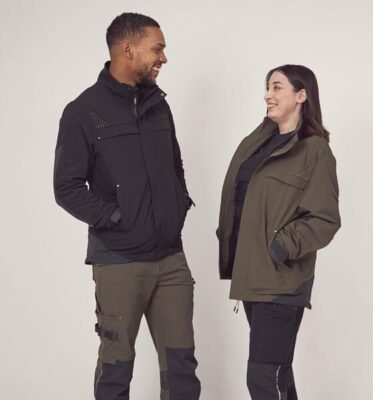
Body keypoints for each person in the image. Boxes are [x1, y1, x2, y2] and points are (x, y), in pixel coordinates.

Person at [54, 12, 201, 400]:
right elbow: (66, 187)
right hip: (119, 260)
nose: (163, 57)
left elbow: (175, 166)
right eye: (157, 48)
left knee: (181, 369)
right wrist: (115, 218)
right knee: (116, 368)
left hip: (171, 259)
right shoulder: (83, 111)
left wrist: (177, 207)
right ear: (127, 48)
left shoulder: (159, 106)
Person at [217, 64, 341, 399]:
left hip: (281, 280)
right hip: (252, 276)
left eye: (276, 87)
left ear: (301, 96)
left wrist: (281, 246)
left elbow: (325, 219)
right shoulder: (256, 144)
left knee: (262, 377)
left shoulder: (313, 150)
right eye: (267, 87)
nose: (267, 95)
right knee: (277, 374)